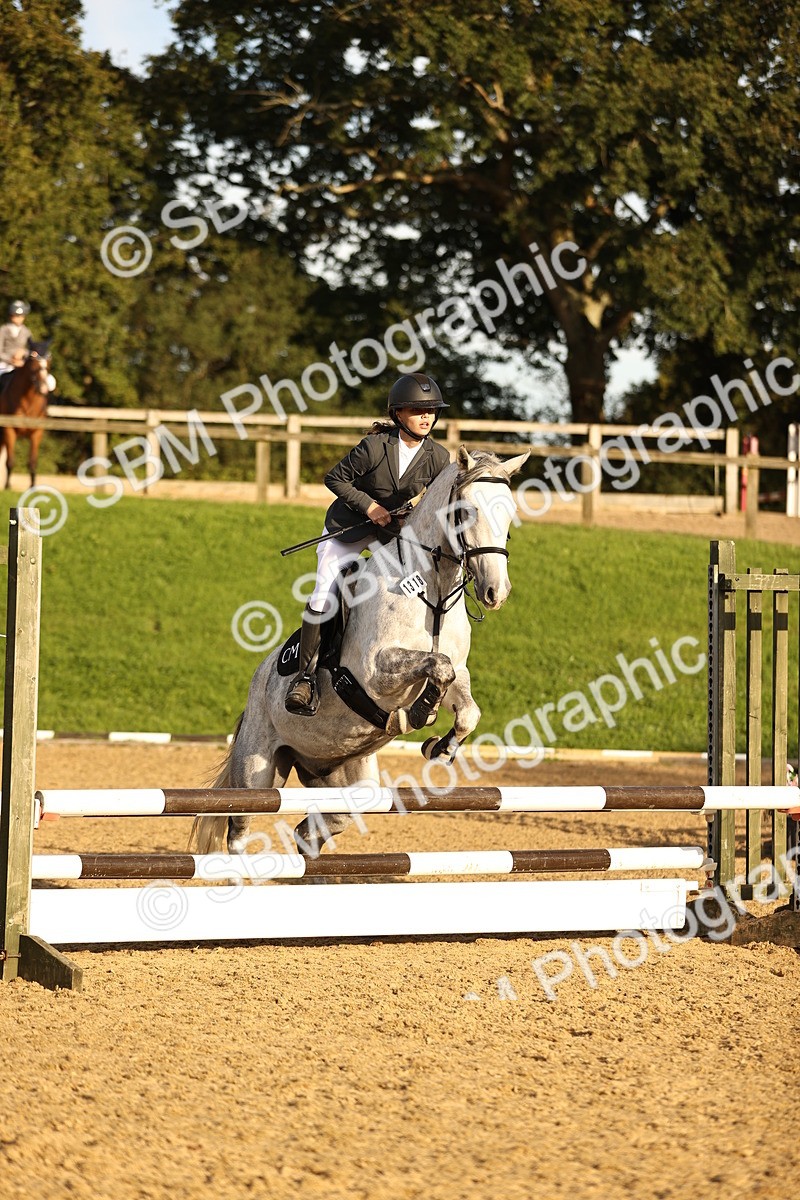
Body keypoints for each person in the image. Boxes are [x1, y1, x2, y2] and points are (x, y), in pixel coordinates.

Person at [285, 371, 451, 716]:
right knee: (322, 592)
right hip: (347, 529)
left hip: (389, 536)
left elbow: (437, 503)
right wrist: (370, 506)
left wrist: (412, 516)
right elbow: (335, 478)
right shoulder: (375, 447)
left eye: (431, 411)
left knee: (410, 587)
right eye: (418, 411)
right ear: (398, 415)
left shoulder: (438, 456)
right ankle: (305, 678)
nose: (426, 418)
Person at [0, 300, 32, 392]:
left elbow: (31, 350)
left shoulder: (26, 332)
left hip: (22, 364)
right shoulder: (3, 330)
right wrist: (11, 360)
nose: (18, 318)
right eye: (16, 315)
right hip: (4, 364)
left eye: (21, 316)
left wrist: (23, 353)